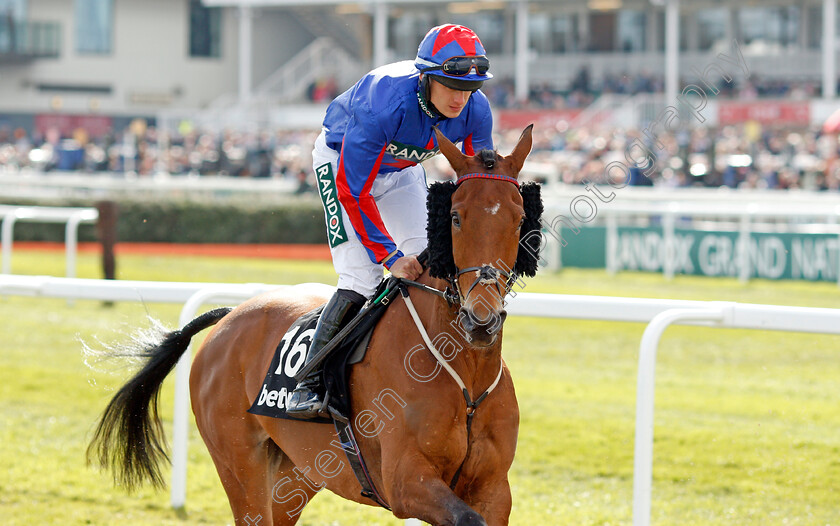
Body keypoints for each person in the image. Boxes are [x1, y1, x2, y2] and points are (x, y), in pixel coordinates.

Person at [286, 24, 495, 418]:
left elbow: (477, 182)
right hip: (342, 165)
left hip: (401, 172)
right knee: (361, 276)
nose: (461, 99)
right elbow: (354, 191)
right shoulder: (384, 100)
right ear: (426, 77)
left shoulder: (476, 109)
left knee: (427, 262)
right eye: (451, 86)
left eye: (469, 89)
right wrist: (388, 256)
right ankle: (308, 381)